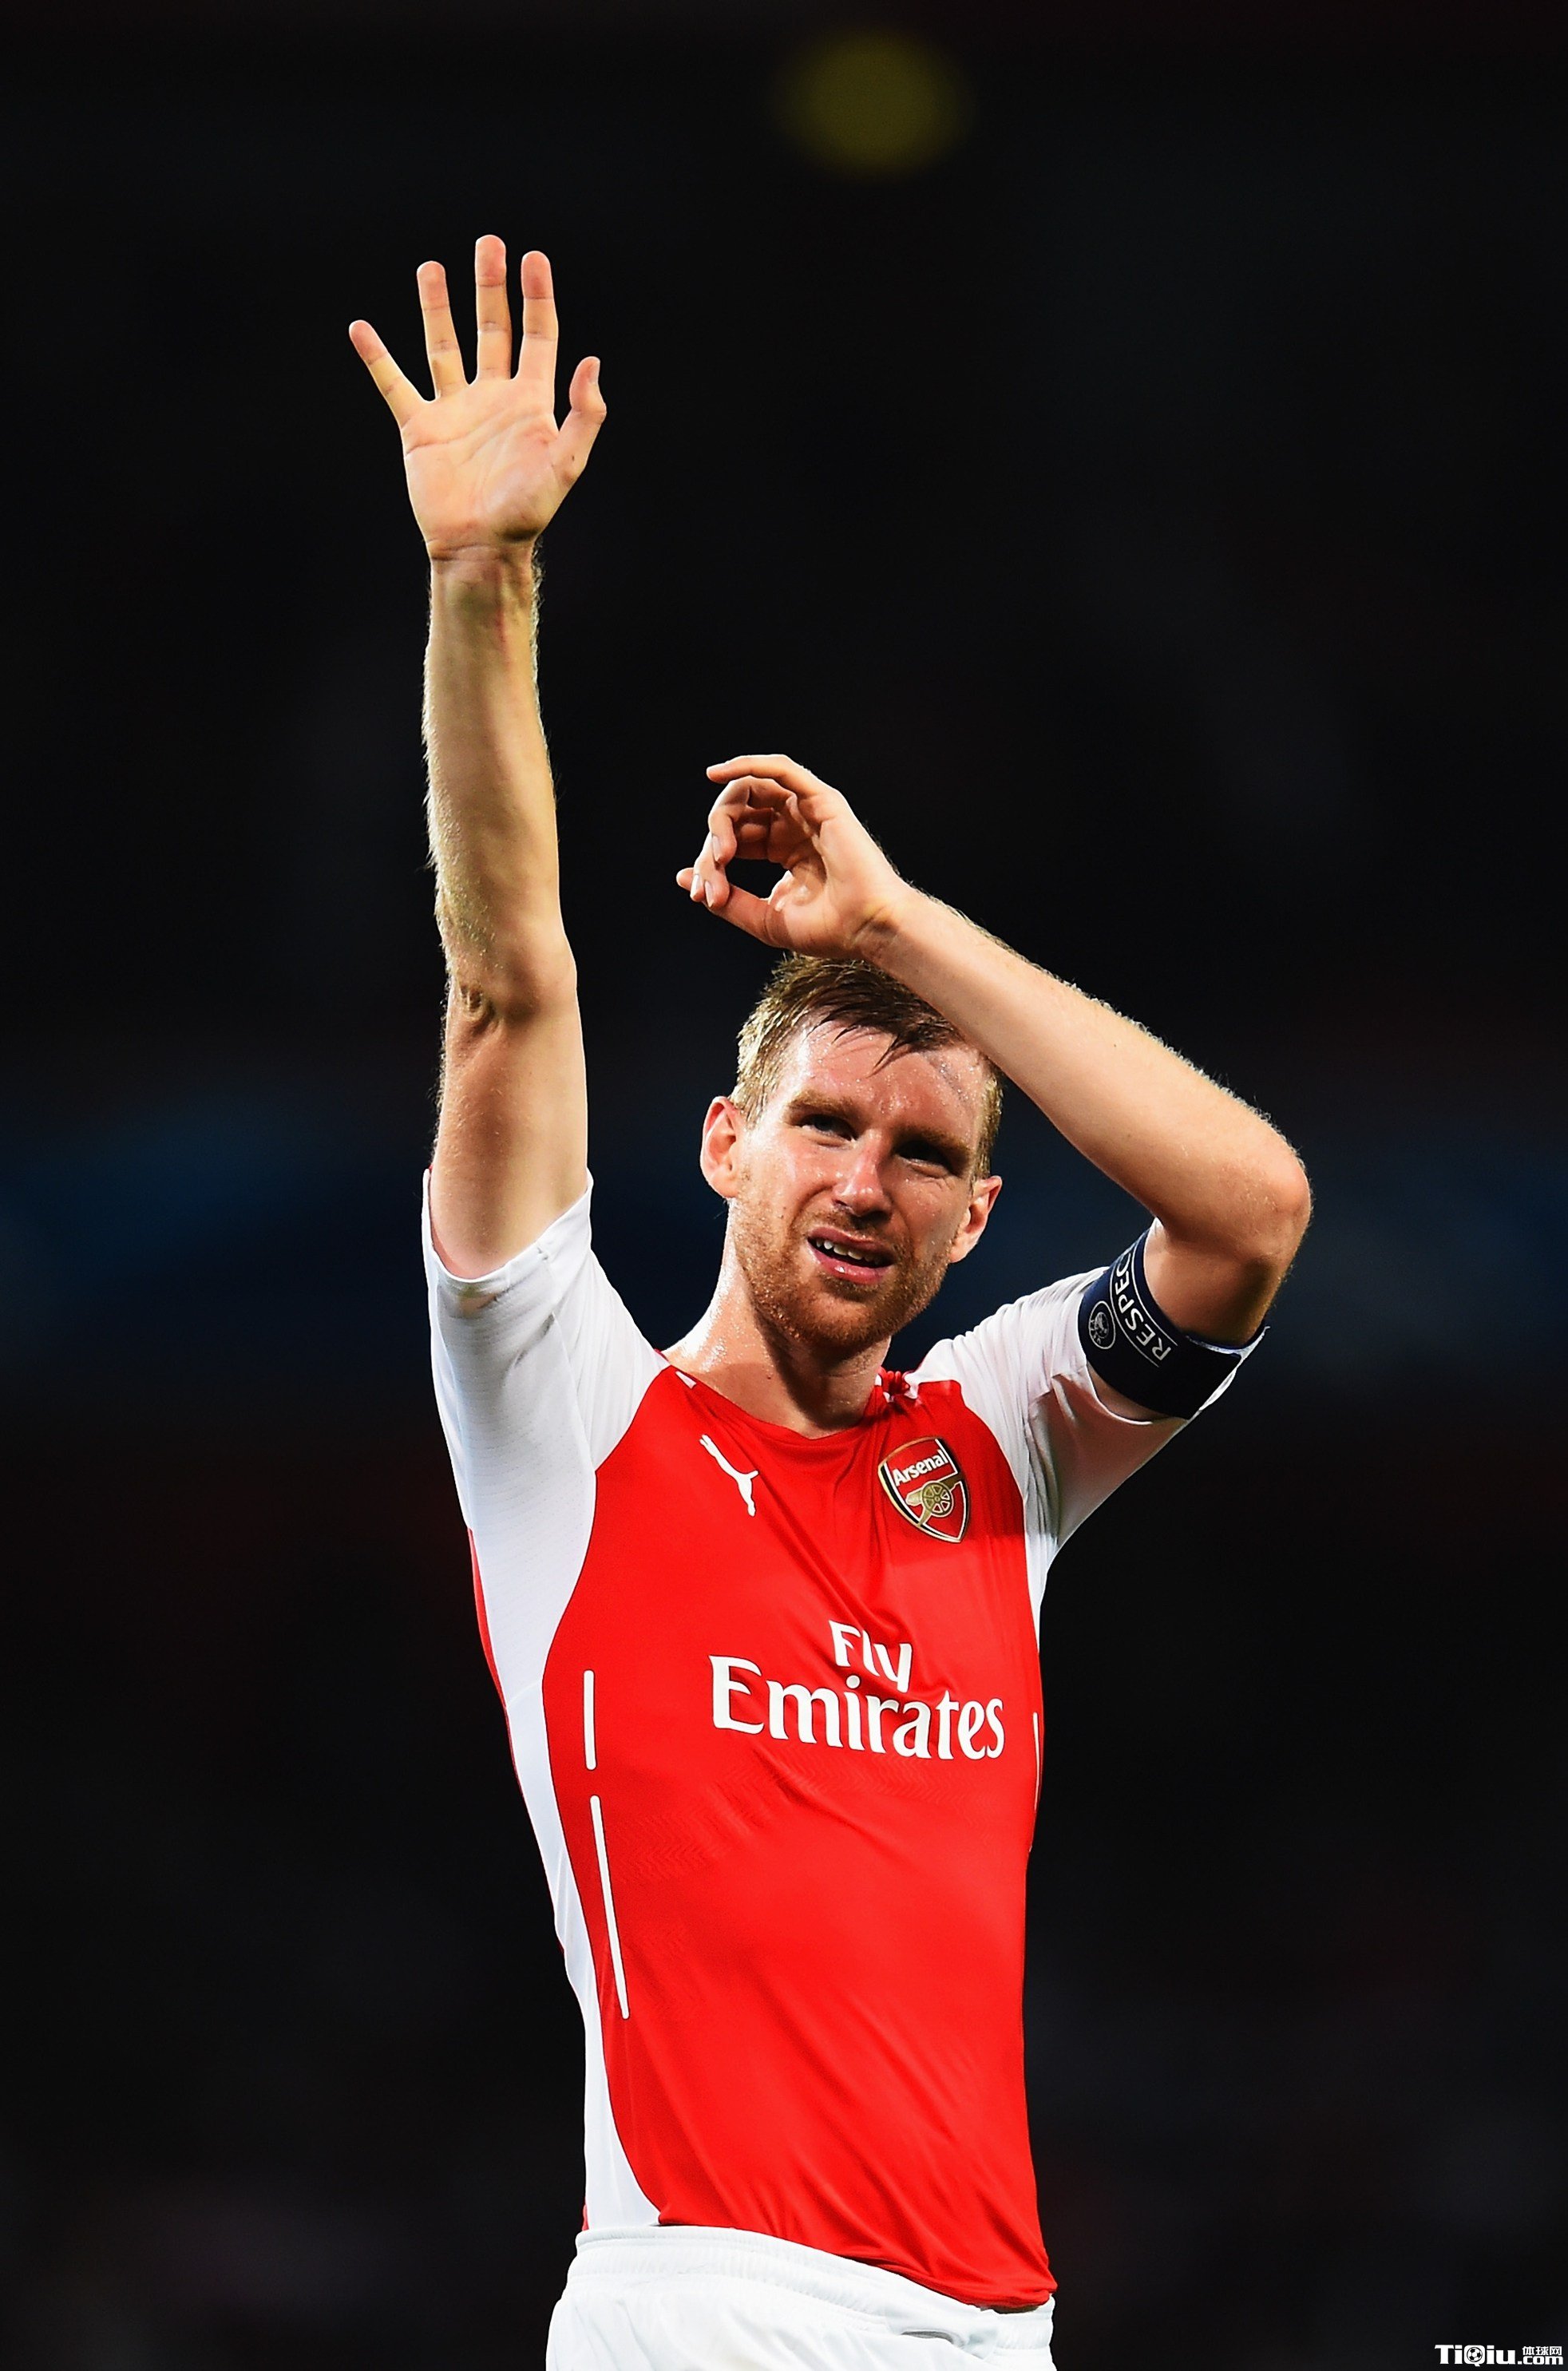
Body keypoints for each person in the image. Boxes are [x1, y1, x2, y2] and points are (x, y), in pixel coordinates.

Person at [350, 238, 1311, 2370]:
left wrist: (894, 928)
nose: (863, 1180)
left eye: (923, 1153)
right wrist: (484, 579)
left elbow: (1248, 1210)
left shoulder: (1006, 1441)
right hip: (707, 2303)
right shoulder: (566, 1412)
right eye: (822, 1126)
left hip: (1000, 2329)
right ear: (723, 1141)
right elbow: (509, 983)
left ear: (978, 1219)